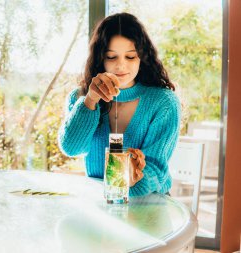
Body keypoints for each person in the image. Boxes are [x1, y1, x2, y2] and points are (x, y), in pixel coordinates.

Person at [58, 13, 181, 196]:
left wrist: (135, 178)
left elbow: (156, 167)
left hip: (149, 203)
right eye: (111, 57)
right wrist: (90, 100)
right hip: (100, 203)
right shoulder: (81, 97)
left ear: (142, 57)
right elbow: (72, 148)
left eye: (130, 57)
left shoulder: (163, 102)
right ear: (101, 59)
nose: (121, 66)